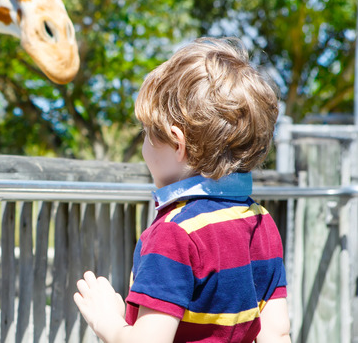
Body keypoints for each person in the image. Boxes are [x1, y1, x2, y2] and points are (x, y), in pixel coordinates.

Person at [73, 37, 291, 343]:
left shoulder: (175, 234)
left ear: (178, 143)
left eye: (147, 134)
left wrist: (107, 321)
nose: (144, 147)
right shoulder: (261, 220)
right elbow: (277, 333)